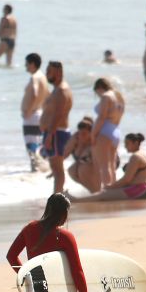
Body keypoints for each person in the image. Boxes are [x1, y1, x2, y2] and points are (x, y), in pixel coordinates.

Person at [75, 132, 146, 201]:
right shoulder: (142, 154)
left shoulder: (136, 157)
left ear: (135, 143)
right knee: (107, 193)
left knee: (104, 194)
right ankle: (77, 199)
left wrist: (110, 187)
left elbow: (126, 180)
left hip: (140, 190)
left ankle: (75, 200)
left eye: (127, 143)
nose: (125, 146)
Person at [39, 61, 73, 193]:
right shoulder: (58, 90)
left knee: (57, 170)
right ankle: (57, 196)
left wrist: (50, 135)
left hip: (56, 134)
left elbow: (58, 115)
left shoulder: (61, 91)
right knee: (56, 169)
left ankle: (57, 197)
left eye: (49, 72)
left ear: (58, 73)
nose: (47, 75)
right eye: (47, 71)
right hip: (54, 133)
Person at [90, 78, 124, 190]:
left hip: (104, 131)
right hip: (115, 130)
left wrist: (93, 134)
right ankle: (114, 189)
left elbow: (101, 117)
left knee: (104, 165)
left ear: (99, 88)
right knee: (112, 165)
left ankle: (106, 189)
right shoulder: (119, 97)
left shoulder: (106, 97)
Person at [20, 53, 49, 171]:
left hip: (32, 115)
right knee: (37, 142)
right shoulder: (43, 76)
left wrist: (29, 110)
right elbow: (48, 95)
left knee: (31, 144)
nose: (25, 65)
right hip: (39, 113)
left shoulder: (35, 77)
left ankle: (35, 168)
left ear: (32, 64)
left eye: (26, 63)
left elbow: (36, 93)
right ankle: (40, 167)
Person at [65, 118, 100, 194]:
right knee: (71, 170)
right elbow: (64, 155)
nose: (81, 135)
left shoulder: (94, 140)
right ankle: (94, 191)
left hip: (98, 164)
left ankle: (97, 192)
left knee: (82, 170)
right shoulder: (75, 139)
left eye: (84, 133)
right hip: (84, 163)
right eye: (80, 132)